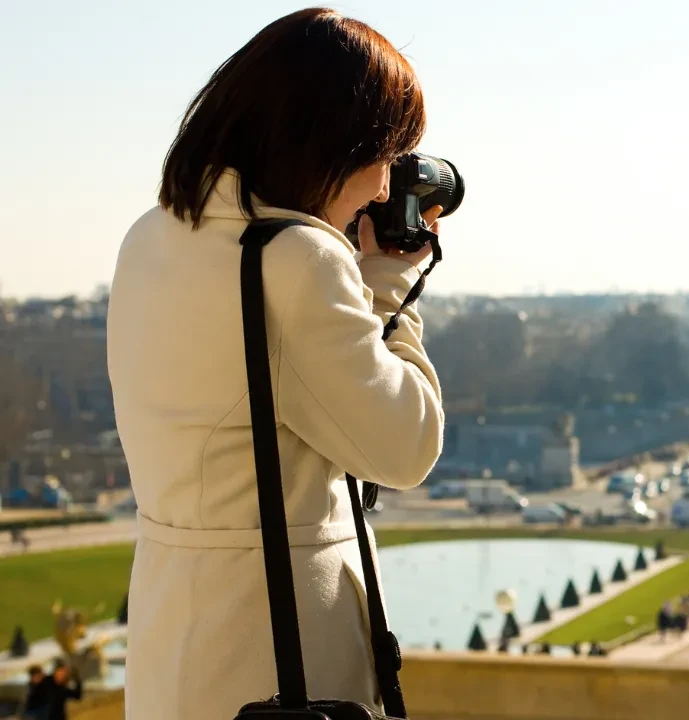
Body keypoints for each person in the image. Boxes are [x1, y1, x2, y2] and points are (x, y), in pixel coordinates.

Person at [106, 9, 445, 720]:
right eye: (383, 153)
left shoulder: (152, 236)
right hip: (280, 644)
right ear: (331, 140)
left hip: (177, 628)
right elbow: (406, 445)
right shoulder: (297, 260)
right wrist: (387, 284)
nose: (385, 187)